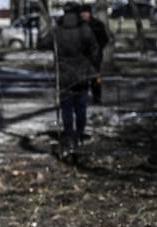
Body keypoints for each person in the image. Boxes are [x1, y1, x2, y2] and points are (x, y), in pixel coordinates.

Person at [51, 2, 99, 157]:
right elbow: (95, 49)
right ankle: (78, 134)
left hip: (64, 74)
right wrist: (91, 63)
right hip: (81, 74)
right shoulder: (84, 29)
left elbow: (41, 43)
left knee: (66, 108)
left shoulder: (57, 30)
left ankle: (69, 136)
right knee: (80, 106)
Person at [81, 5, 111, 106]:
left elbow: (105, 39)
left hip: (95, 57)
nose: (83, 15)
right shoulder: (79, 25)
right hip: (82, 56)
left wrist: (97, 48)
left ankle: (97, 98)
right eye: (82, 13)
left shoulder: (97, 24)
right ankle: (82, 98)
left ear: (89, 13)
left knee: (95, 78)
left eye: (85, 12)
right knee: (82, 78)